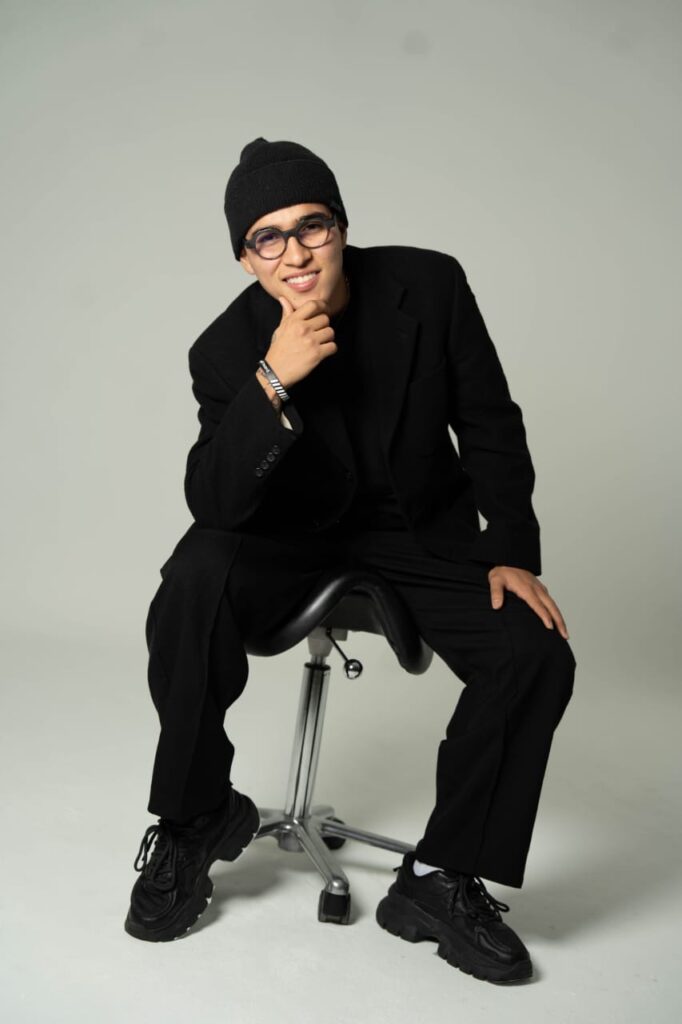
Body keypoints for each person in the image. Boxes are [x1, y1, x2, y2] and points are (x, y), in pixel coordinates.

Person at [124, 137, 576, 984]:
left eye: (312, 226)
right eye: (268, 238)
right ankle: (194, 817)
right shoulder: (224, 350)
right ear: (245, 258)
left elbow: (489, 420)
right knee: (191, 579)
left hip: (419, 534)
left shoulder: (429, 285)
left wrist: (512, 547)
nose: (295, 253)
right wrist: (272, 381)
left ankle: (441, 881)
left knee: (534, 651)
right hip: (285, 538)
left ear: (340, 225)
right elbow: (213, 500)